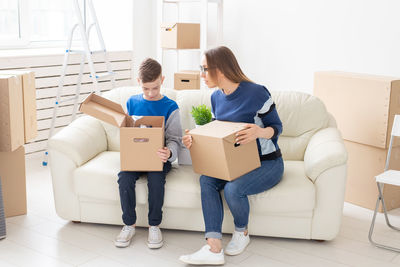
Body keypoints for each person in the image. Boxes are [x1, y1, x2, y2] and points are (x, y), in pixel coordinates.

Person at [179, 46, 284, 265]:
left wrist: (259, 132)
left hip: (268, 163)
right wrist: (195, 140)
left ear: (222, 70)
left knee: (233, 189)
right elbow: (221, 135)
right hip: (236, 163)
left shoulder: (256, 93)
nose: (201, 74)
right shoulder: (217, 97)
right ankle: (213, 247)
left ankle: (242, 233)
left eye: (205, 69)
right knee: (206, 180)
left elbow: (277, 127)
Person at [115, 58, 182, 249]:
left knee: (156, 179)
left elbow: (175, 140)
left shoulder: (171, 107)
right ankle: (129, 224)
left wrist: (169, 153)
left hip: (159, 158)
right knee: (124, 178)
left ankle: (154, 225)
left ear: (162, 79)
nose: (151, 93)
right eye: (146, 88)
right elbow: (128, 133)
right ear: (138, 82)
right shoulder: (131, 102)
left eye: (155, 87)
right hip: (136, 157)